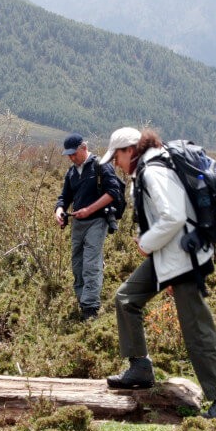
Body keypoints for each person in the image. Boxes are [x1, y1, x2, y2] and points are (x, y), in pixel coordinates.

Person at [99, 126, 216, 420]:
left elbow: (173, 216)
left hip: (184, 259)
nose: (116, 164)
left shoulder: (154, 171)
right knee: (127, 298)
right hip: (171, 256)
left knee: (197, 330)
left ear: (130, 151)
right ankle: (140, 368)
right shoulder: (147, 170)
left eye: (117, 157)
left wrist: (147, 244)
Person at [55, 133, 122, 320]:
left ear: (84, 148)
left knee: (91, 264)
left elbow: (113, 192)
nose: (71, 157)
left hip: (98, 221)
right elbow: (64, 197)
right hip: (78, 223)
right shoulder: (71, 172)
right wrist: (59, 211)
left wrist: (89, 209)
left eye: (74, 153)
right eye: (68, 154)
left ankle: (90, 309)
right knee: (77, 264)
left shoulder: (101, 166)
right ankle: (82, 300)